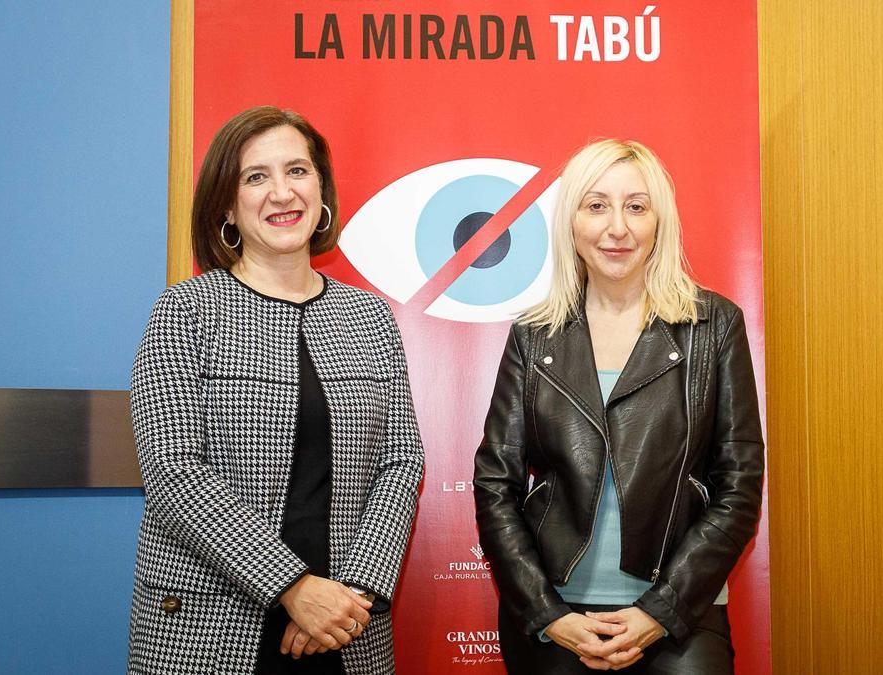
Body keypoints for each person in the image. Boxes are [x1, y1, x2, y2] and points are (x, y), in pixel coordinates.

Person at [127, 106, 424, 674]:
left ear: (321, 189)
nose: (282, 192)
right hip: (207, 629)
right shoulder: (186, 311)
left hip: (346, 628)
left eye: (298, 171)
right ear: (227, 206)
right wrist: (292, 588)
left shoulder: (368, 316)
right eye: (256, 177)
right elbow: (173, 470)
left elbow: (401, 460)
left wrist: (350, 597)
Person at [474, 139, 764, 673]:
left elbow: (739, 483)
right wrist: (546, 612)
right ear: (572, 222)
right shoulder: (533, 335)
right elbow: (496, 484)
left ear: (660, 221)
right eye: (597, 205)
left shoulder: (715, 325)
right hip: (555, 614)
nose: (617, 228)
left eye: (636, 206)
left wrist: (661, 609)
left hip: (680, 611)